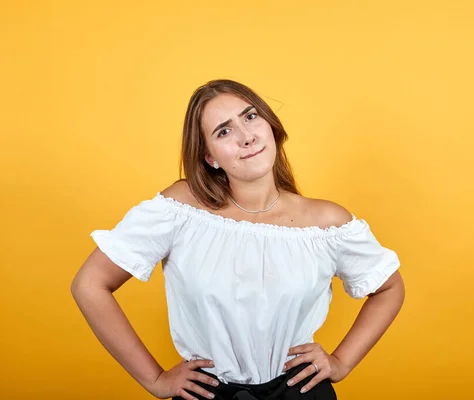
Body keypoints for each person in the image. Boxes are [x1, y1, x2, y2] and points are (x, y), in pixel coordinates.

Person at [71, 79, 405, 400]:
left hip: (299, 394)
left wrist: (341, 362)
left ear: (270, 126)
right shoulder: (180, 210)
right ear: (210, 157)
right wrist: (155, 379)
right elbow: (90, 284)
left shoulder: (327, 224)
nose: (246, 136)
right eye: (224, 131)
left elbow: (389, 288)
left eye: (251, 116)